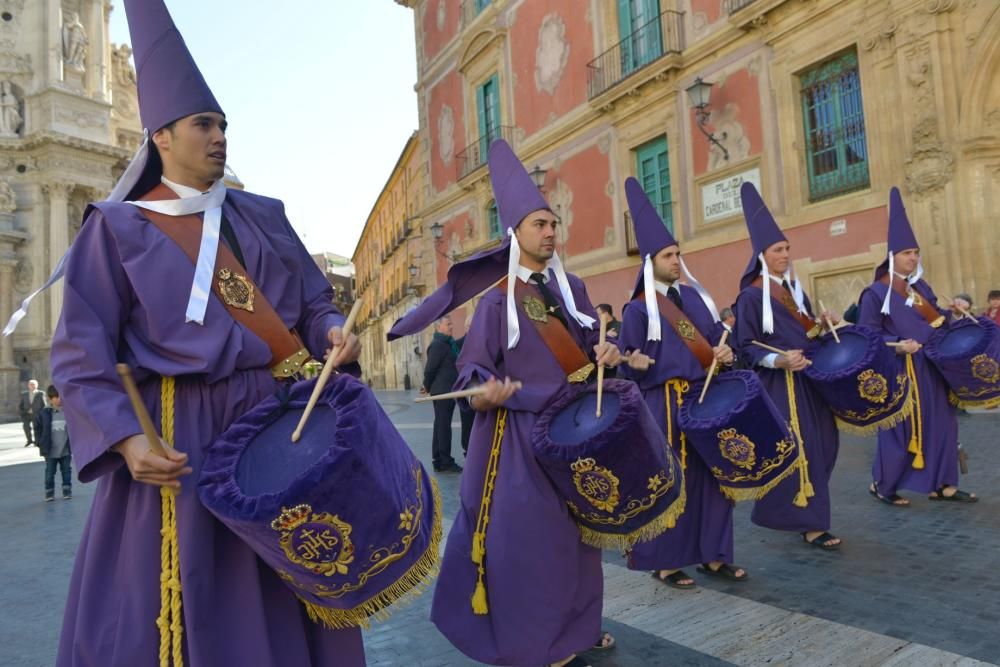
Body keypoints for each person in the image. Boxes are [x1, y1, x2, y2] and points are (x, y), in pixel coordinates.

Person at [44, 1, 365, 664]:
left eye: (223, 124)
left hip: (277, 436)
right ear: (162, 136)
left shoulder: (264, 216)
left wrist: (332, 328)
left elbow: (312, 304)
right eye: (204, 124)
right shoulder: (115, 228)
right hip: (176, 443)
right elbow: (80, 351)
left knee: (287, 591)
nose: (219, 136)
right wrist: (128, 437)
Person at [389, 139, 621, 667]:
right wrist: (482, 389)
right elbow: (473, 367)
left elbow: (591, 353)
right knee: (527, 546)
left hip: (574, 432)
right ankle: (532, 640)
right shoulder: (497, 301)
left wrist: (607, 352)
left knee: (576, 544)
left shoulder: (575, 291)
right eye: (539, 224)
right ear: (514, 234)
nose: (550, 232)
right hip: (518, 443)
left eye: (553, 223)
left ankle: (575, 629)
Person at [618, 177, 745, 590]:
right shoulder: (637, 310)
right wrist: (634, 364)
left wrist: (724, 354)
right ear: (651, 261)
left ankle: (714, 553)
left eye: (679, 253)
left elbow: (714, 343)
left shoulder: (694, 299)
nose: (677, 260)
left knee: (715, 479)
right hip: (663, 406)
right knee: (669, 483)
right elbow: (626, 369)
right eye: (669, 255)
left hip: (703, 399)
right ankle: (667, 561)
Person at [732, 183, 843, 551]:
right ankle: (809, 522)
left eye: (787, 249)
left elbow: (805, 331)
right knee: (801, 447)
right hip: (781, 386)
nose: (785, 255)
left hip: (809, 380)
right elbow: (745, 346)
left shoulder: (796, 290)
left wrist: (822, 323)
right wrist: (779, 359)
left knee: (825, 443)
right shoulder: (750, 296)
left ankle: (805, 512)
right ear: (762, 255)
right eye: (778, 250)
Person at [857, 187, 977, 506]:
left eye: (915, 252)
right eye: (907, 253)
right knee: (899, 430)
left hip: (933, 368)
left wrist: (955, 313)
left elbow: (938, 322)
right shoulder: (874, 293)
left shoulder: (921, 287)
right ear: (892, 256)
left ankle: (943, 483)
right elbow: (866, 337)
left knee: (943, 424)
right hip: (901, 370)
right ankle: (883, 484)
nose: (913, 258)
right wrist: (897, 346)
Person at [423, 315, 463, 472]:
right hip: (442, 392)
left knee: (440, 425)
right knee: (444, 426)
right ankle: (445, 461)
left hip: (447, 391)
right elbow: (430, 369)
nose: (451, 327)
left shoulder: (447, 344)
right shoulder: (438, 345)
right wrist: (426, 386)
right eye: (448, 324)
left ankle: (438, 460)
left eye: (451, 324)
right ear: (438, 327)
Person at [36, 385, 72, 501]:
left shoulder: (69, 413)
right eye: (56, 397)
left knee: (66, 472)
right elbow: (38, 428)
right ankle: (49, 492)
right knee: (50, 473)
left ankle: (67, 491)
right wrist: (39, 442)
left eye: (61, 396)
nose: (59, 399)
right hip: (50, 451)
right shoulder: (44, 414)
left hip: (65, 450)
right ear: (50, 399)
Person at [19, 379, 45, 447]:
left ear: (37, 385)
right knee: (26, 427)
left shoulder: (40, 393)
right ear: (28, 386)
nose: (32, 386)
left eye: (33, 384)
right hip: (26, 414)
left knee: (36, 428)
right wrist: (22, 411)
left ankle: (37, 441)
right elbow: (21, 404)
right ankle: (29, 440)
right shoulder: (24, 394)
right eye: (30, 384)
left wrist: (42, 413)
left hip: (36, 414)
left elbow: (44, 404)